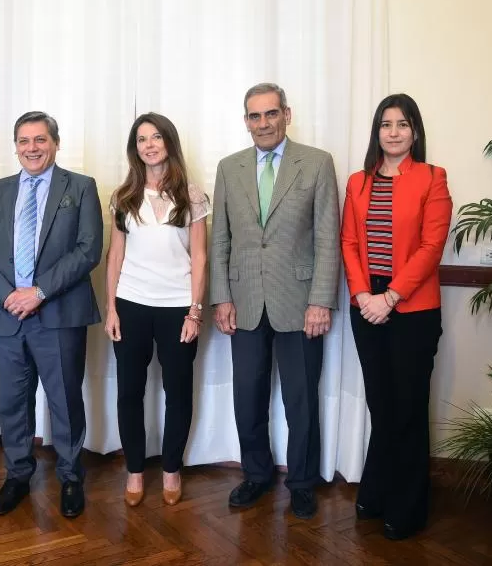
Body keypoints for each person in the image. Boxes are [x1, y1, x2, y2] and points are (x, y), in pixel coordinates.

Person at [210, 82, 340, 519]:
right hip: (244, 301)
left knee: (300, 398)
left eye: (270, 114)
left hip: (301, 302)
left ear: (287, 113)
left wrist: (321, 300)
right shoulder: (229, 168)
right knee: (247, 396)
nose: (263, 123)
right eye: (254, 116)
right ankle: (256, 475)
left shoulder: (318, 164)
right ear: (245, 120)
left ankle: (302, 482)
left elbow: (327, 238)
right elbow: (220, 239)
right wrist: (221, 297)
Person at [0, 111, 103, 519]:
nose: (32, 148)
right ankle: (17, 476)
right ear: (15, 147)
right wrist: (11, 295)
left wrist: (39, 292)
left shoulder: (80, 187)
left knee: (64, 400)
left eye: (40, 140)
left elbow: (88, 249)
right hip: (8, 314)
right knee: (12, 402)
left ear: (56, 143)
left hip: (58, 314)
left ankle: (70, 476)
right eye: (24, 141)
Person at [341, 93, 452, 540]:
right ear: (377, 132)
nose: (393, 132)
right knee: (381, 407)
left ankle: (408, 508)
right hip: (366, 308)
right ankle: (376, 491)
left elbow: (431, 247)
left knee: (407, 410)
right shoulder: (358, 182)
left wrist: (391, 298)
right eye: (386, 124)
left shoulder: (432, 178)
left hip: (412, 313)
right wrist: (365, 294)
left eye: (402, 124)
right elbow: (349, 243)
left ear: (415, 131)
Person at [104, 113, 210, 507]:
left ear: (169, 143)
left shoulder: (193, 196)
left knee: (178, 391)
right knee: (129, 392)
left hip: (177, 306)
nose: (149, 145)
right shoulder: (122, 197)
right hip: (131, 304)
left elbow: (199, 257)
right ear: (136, 149)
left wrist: (195, 311)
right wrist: (111, 308)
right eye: (141, 139)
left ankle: (171, 470)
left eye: (156, 137)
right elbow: (114, 257)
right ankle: (134, 471)